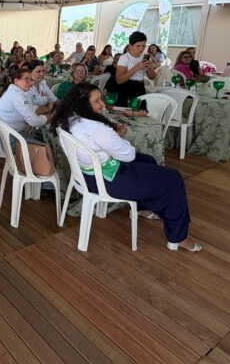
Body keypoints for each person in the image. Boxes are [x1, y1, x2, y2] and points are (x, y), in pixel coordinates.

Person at [51, 83, 201, 252]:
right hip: (109, 181)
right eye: (97, 101)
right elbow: (128, 155)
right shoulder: (97, 128)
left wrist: (113, 137)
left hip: (86, 176)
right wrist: (118, 137)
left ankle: (143, 208)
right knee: (173, 178)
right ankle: (179, 237)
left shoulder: (69, 119)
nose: (102, 104)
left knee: (148, 160)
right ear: (83, 103)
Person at [0, 67, 54, 176]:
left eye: (31, 80)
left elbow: (28, 108)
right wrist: (49, 116)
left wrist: (45, 110)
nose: (30, 83)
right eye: (26, 79)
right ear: (16, 81)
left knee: (40, 136)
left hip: (3, 135)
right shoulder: (17, 95)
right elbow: (33, 122)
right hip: (10, 140)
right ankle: (42, 179)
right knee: (49, 147)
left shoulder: (15, 91)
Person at [112, 31, 158, 107]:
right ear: (130, 46)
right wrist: (136, 68)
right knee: (126, 112)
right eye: (138, 46)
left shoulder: (144, 56)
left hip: (140, 87)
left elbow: (152, 77)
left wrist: (150, 68)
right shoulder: (124, 58)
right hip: (127, 88)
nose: (141, 49)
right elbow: (119, 80)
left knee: (141, 112)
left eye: (143, 46)